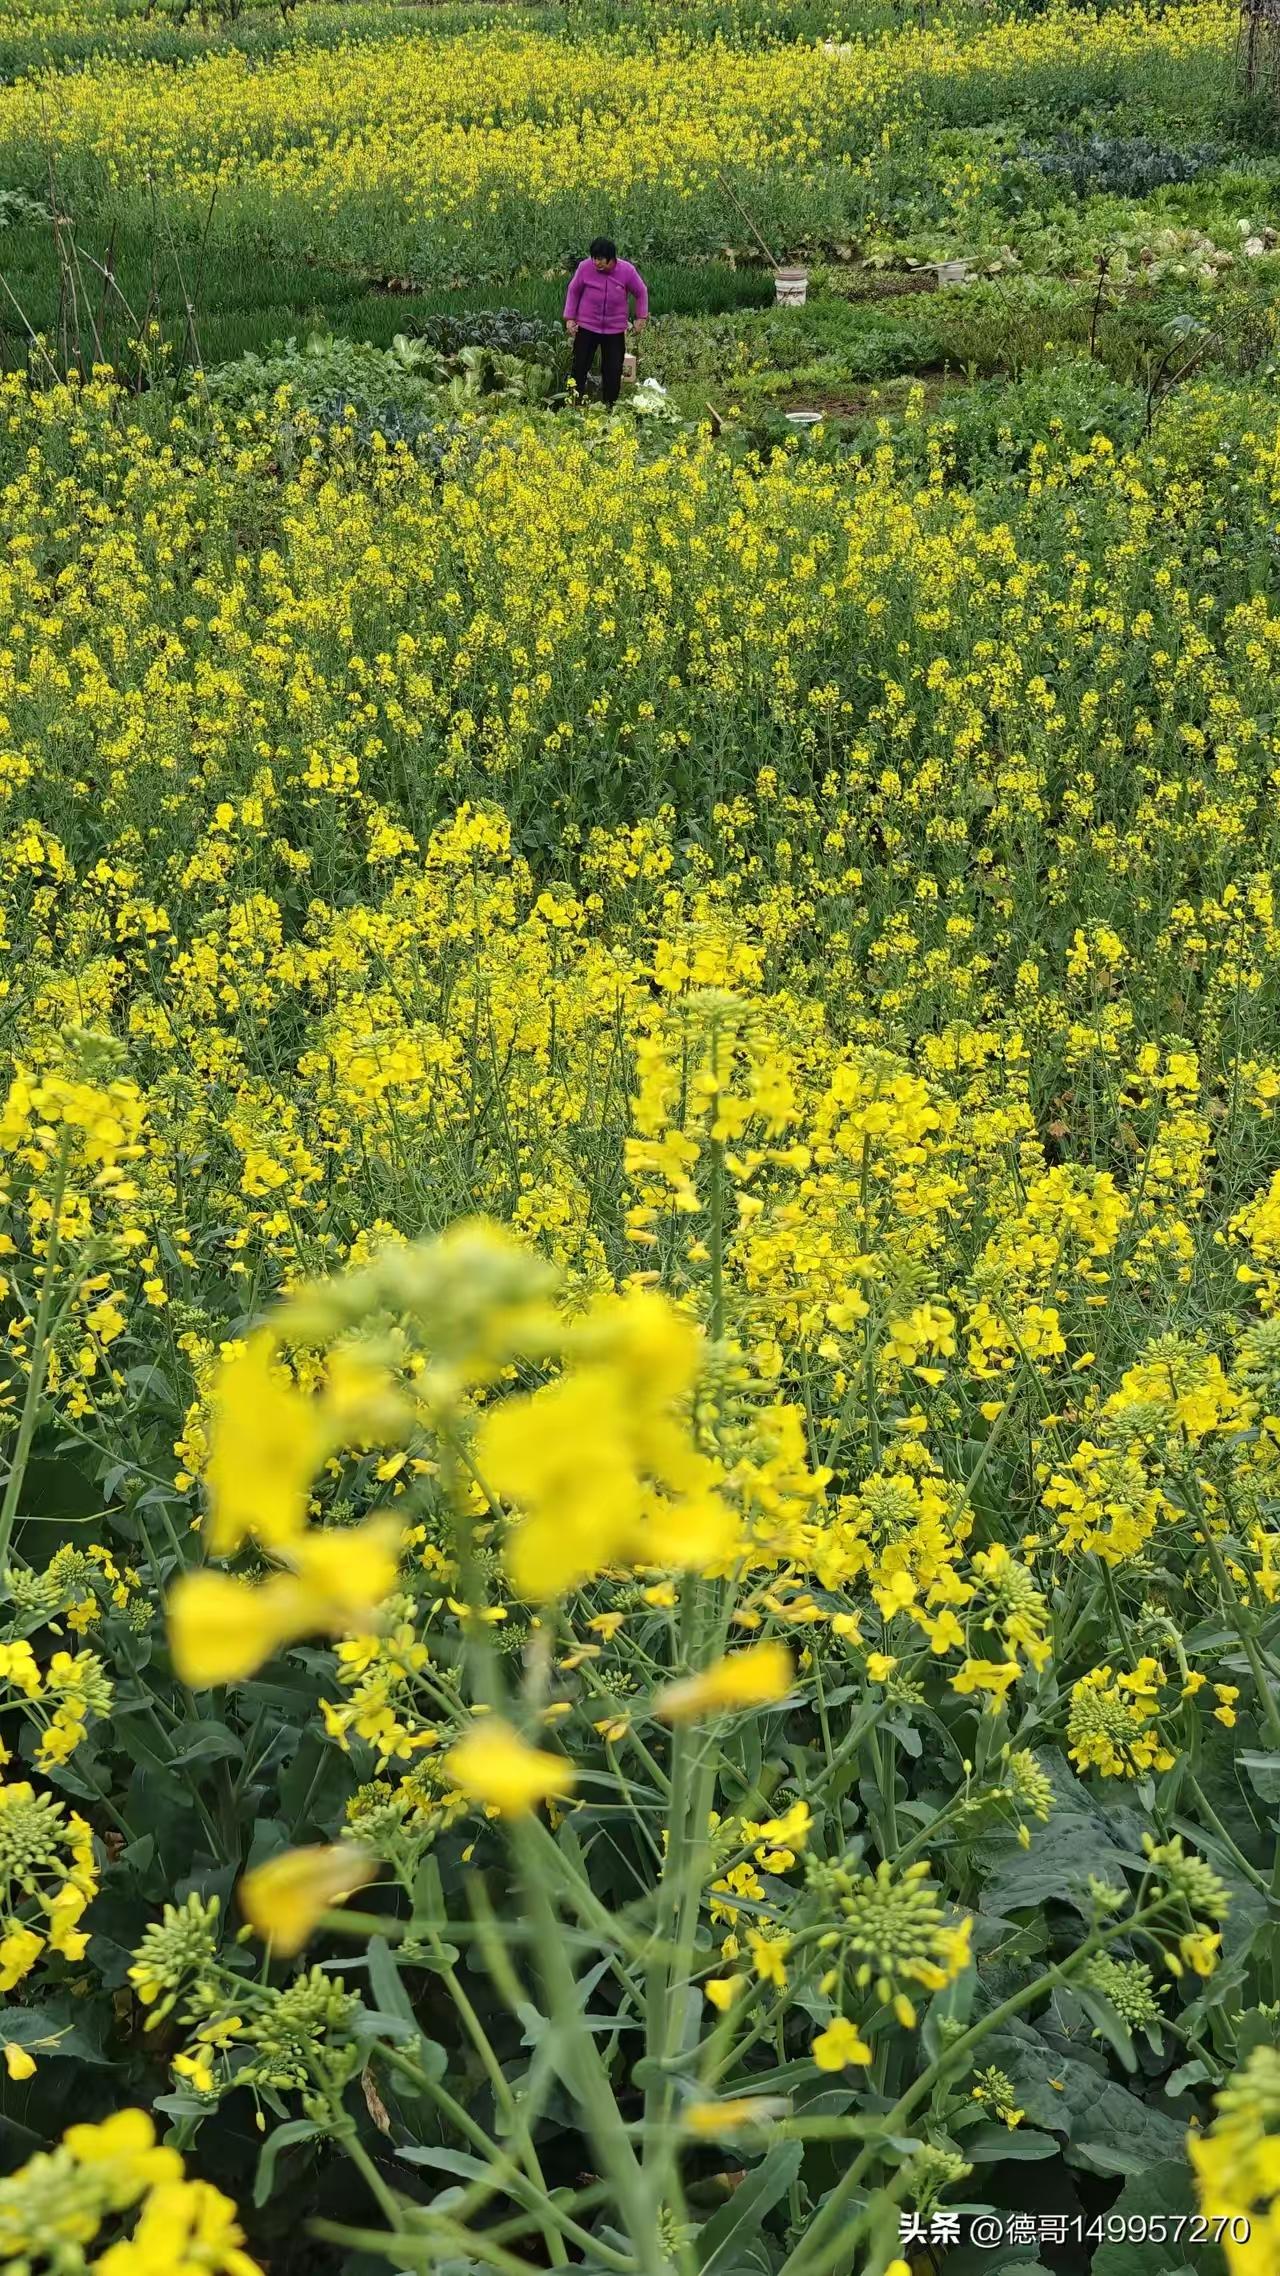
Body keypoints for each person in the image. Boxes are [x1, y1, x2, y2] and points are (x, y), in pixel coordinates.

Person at [564, 237, 648, 407]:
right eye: (594, 258)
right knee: (579, 366)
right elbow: (573, 291)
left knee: (613, 370)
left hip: (614, 330)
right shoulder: (585, 267)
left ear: (612, 258)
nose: (596, 262)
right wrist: (570, 318)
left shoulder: (627, 271)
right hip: (587, 326)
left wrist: (641, 317)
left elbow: (641, 292)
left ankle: (610, 406)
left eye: (601, 259)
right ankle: (573, 403)